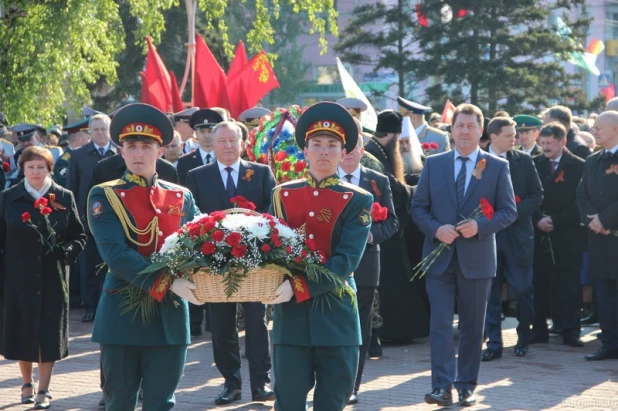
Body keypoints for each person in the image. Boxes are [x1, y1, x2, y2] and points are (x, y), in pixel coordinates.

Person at [88, 103, 203, 410]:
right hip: (122, 314)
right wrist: (168, 281)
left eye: (146, 146)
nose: (139, 153)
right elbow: (116, 255)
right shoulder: (105, 194)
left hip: (170, 315)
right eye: (131, 146)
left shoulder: (181, 196)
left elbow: (202, 242)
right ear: (122, 152)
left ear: (160, 150)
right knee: (119, 401)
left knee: (161, 403)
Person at [267, 101, 373, 410]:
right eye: (316, 144)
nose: (324, 151)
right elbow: (269, 248)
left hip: (336, 317)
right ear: (305, 150)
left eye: (332, 145)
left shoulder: (357, 199)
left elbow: (346, 261)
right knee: (287, 402)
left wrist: (298, 287)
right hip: (291, 320)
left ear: (343, 152)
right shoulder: (282, 194)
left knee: (331, 403)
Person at [410, 103, 517, 407]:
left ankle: (466, 385)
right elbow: (418, 208)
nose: (465, 131)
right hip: (439, 258)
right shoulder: (434, 164)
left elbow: (509, 211)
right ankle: (441, 386)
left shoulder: (496, 166)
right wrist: (436, 229)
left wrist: (480, 226)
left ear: (481, 131)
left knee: (472, 327)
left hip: (477, 259)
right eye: (460, 126)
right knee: (441, 324)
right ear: (452, 129)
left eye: (471, 126)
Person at [186, 121, 276, 405]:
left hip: (253, 259)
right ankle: (231, 383)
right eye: (221, 141)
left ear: (242, 143)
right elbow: (192, 216)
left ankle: (261, 383)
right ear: (211, 144)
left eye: (232, 140)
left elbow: (272, 211)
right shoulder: (197, 175)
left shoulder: (260, 172)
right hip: (215, 260)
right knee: (222, 324)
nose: (227, 145)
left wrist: (249, 228)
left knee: (256, 322)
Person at [0, 146, 86, 409]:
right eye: (30, 167)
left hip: (53, 275)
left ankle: (44, 389)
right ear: (22, 169)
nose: (36, 172)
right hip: (18, 276)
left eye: (41, 167)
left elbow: (79, 235)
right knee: (22, 330)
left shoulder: (64, 196)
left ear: (50, 169)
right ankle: (26, 382)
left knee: (49, 331)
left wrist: (67, 251)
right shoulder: (8, 198)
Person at [338, 134, 398, 405]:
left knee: (359, 327)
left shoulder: (378, 181)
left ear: (362, 151)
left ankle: (352, 385)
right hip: (331, 264)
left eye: (354, 148)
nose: (349, 153)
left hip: (366, 263)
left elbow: (392, 222)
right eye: (345, 148)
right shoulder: (325, 179)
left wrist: (370, 235)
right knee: (331, 324)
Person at [482, 117, 543, 361]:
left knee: (523, 289)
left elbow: (536, 194)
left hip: (518, 235)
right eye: (509, 135)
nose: (515, 139)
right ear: (494, 136)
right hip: (488, 236)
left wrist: (511, 214)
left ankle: (523, 338)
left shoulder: (524, 160)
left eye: (515, 134)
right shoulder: (479, 160)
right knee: (490, 291)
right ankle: (494, 344)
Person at [364, 110, 427, 344]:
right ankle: (392, 331)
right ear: (391, 134)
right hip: (380, 229)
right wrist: (415, 190)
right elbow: (391, 189)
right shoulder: (372, 157)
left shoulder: (376, 152)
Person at [66, 113, 118, 322]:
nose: (100, 133)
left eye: (103, 129)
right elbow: (72, 187)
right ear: (90, 132)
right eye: (95, 129)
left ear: (109, 130)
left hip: (116, 218)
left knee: (113, 263)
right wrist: (74, 218)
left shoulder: (119, 153)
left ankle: (112, 305)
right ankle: (90, 307)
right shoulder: (78, 156)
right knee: (88, 264)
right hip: (87, 218)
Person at [577, 111, 618, 361]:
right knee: (603, 292)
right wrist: (593, 220)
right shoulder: (592, 160)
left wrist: (606, 219)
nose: (594, 131)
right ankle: (609, 342)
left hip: (615, 235)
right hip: (599, 240)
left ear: (615, 128)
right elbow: (581, 193)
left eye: (599, 128)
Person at [177, 108, 224, 185]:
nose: (206, 135)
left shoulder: (224, 158)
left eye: (210, 131)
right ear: (195, 133)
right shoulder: (184, 162)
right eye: (202, 132)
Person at [53, 118, 90, 187]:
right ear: (79, 139)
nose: (89, 142)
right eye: (88, 138)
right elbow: (67, 184)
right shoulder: (63, 162)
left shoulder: (83, 156)